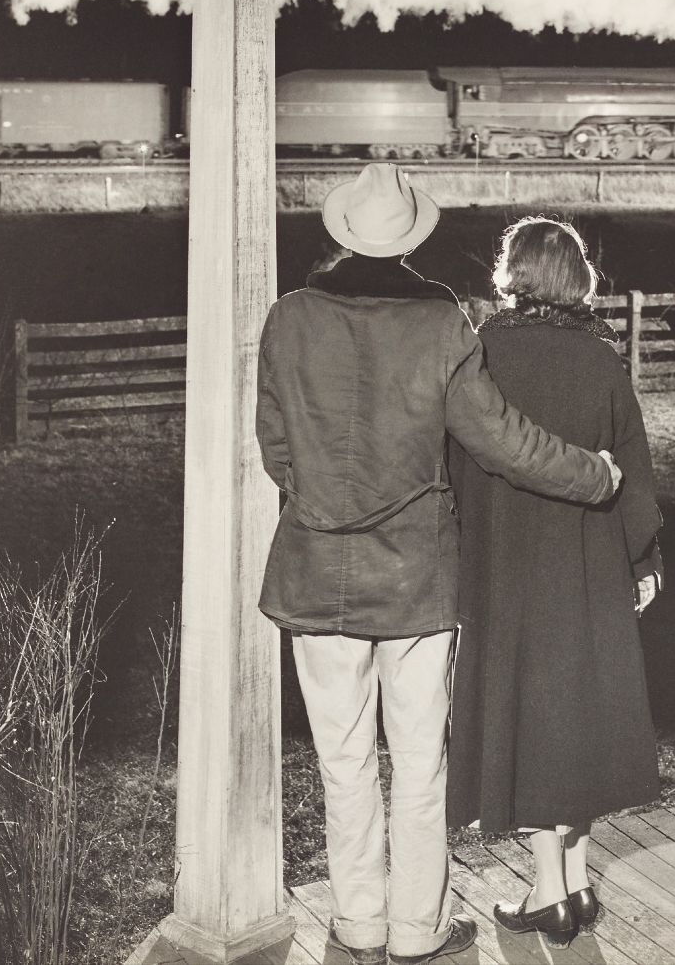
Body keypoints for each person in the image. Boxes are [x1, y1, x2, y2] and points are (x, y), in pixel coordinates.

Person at [256, 164, 622, 965]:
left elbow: (276, 448)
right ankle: (419, 932)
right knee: (420, 766)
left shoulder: (289, 319)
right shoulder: (443, 325)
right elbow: (502, 442)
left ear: (342, 233)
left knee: (342, 764)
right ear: (413, 237)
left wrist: (324, 503)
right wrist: (596, 475)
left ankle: (356, 925)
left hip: (316, 574)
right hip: (418, 580)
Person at [447, 216, 663, 947]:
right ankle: (573, 880)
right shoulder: (603, 358)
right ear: (577, 279)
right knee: (580, 715)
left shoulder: (482, 354)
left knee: (531, 718)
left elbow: (457, 466)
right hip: (591, 562)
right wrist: (645, 560)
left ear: (514, 275)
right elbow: (634, 466)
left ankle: (550, 893)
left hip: (509, 568)